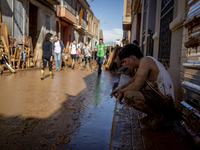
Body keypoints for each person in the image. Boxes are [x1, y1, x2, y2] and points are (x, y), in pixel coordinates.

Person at [110, 44, 174, 131]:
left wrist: (122, 92)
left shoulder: (145, 61)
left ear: (132, 58)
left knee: (129, 95)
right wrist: (120, 88)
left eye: (125, 61)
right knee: (135, 90)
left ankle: (156, 117)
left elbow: (136, 85)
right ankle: (151, 115)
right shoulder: (144, 62)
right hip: (162, 99)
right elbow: (133, 79)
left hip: (166, 102)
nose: (125, 64)